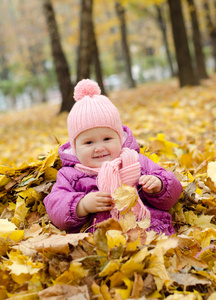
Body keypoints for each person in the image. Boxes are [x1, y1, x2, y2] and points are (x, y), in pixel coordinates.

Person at [44, 79, 182, 235]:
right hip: (101, 239)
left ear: (119, 138)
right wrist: (82, 205)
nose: (99, 147)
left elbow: (173, 191)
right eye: (89, 142)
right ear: (75, 148)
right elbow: (55, 205)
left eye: (107, 139)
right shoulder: (70, 175)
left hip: (149, 230)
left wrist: (159, 186)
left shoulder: (135, 161)